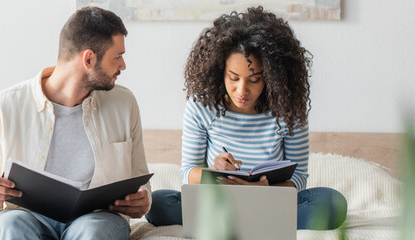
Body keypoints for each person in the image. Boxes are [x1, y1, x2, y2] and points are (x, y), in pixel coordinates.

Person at [145, 6, 347, 230]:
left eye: (254, 80)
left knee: (332, 203)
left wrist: (264, 190)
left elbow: (298, 178)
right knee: (157, 203)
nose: (241, 90)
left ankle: (236, 221)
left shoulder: (289, 110)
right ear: (220, 71)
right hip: (219, 200)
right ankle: (253, 221)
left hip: (270, 199)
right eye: (233, 77)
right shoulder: (201, 106)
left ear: (272, 77)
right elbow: (187, 173)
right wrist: (213, 172)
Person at [0, 6, 151, 240]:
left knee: (94, 232)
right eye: (117, 56)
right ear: (89, 59)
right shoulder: (3, 107)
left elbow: (141, 179)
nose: (123, 65)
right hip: (24, 217)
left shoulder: (124, 104)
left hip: (96, 218)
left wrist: (142, 201)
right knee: (10, 228)